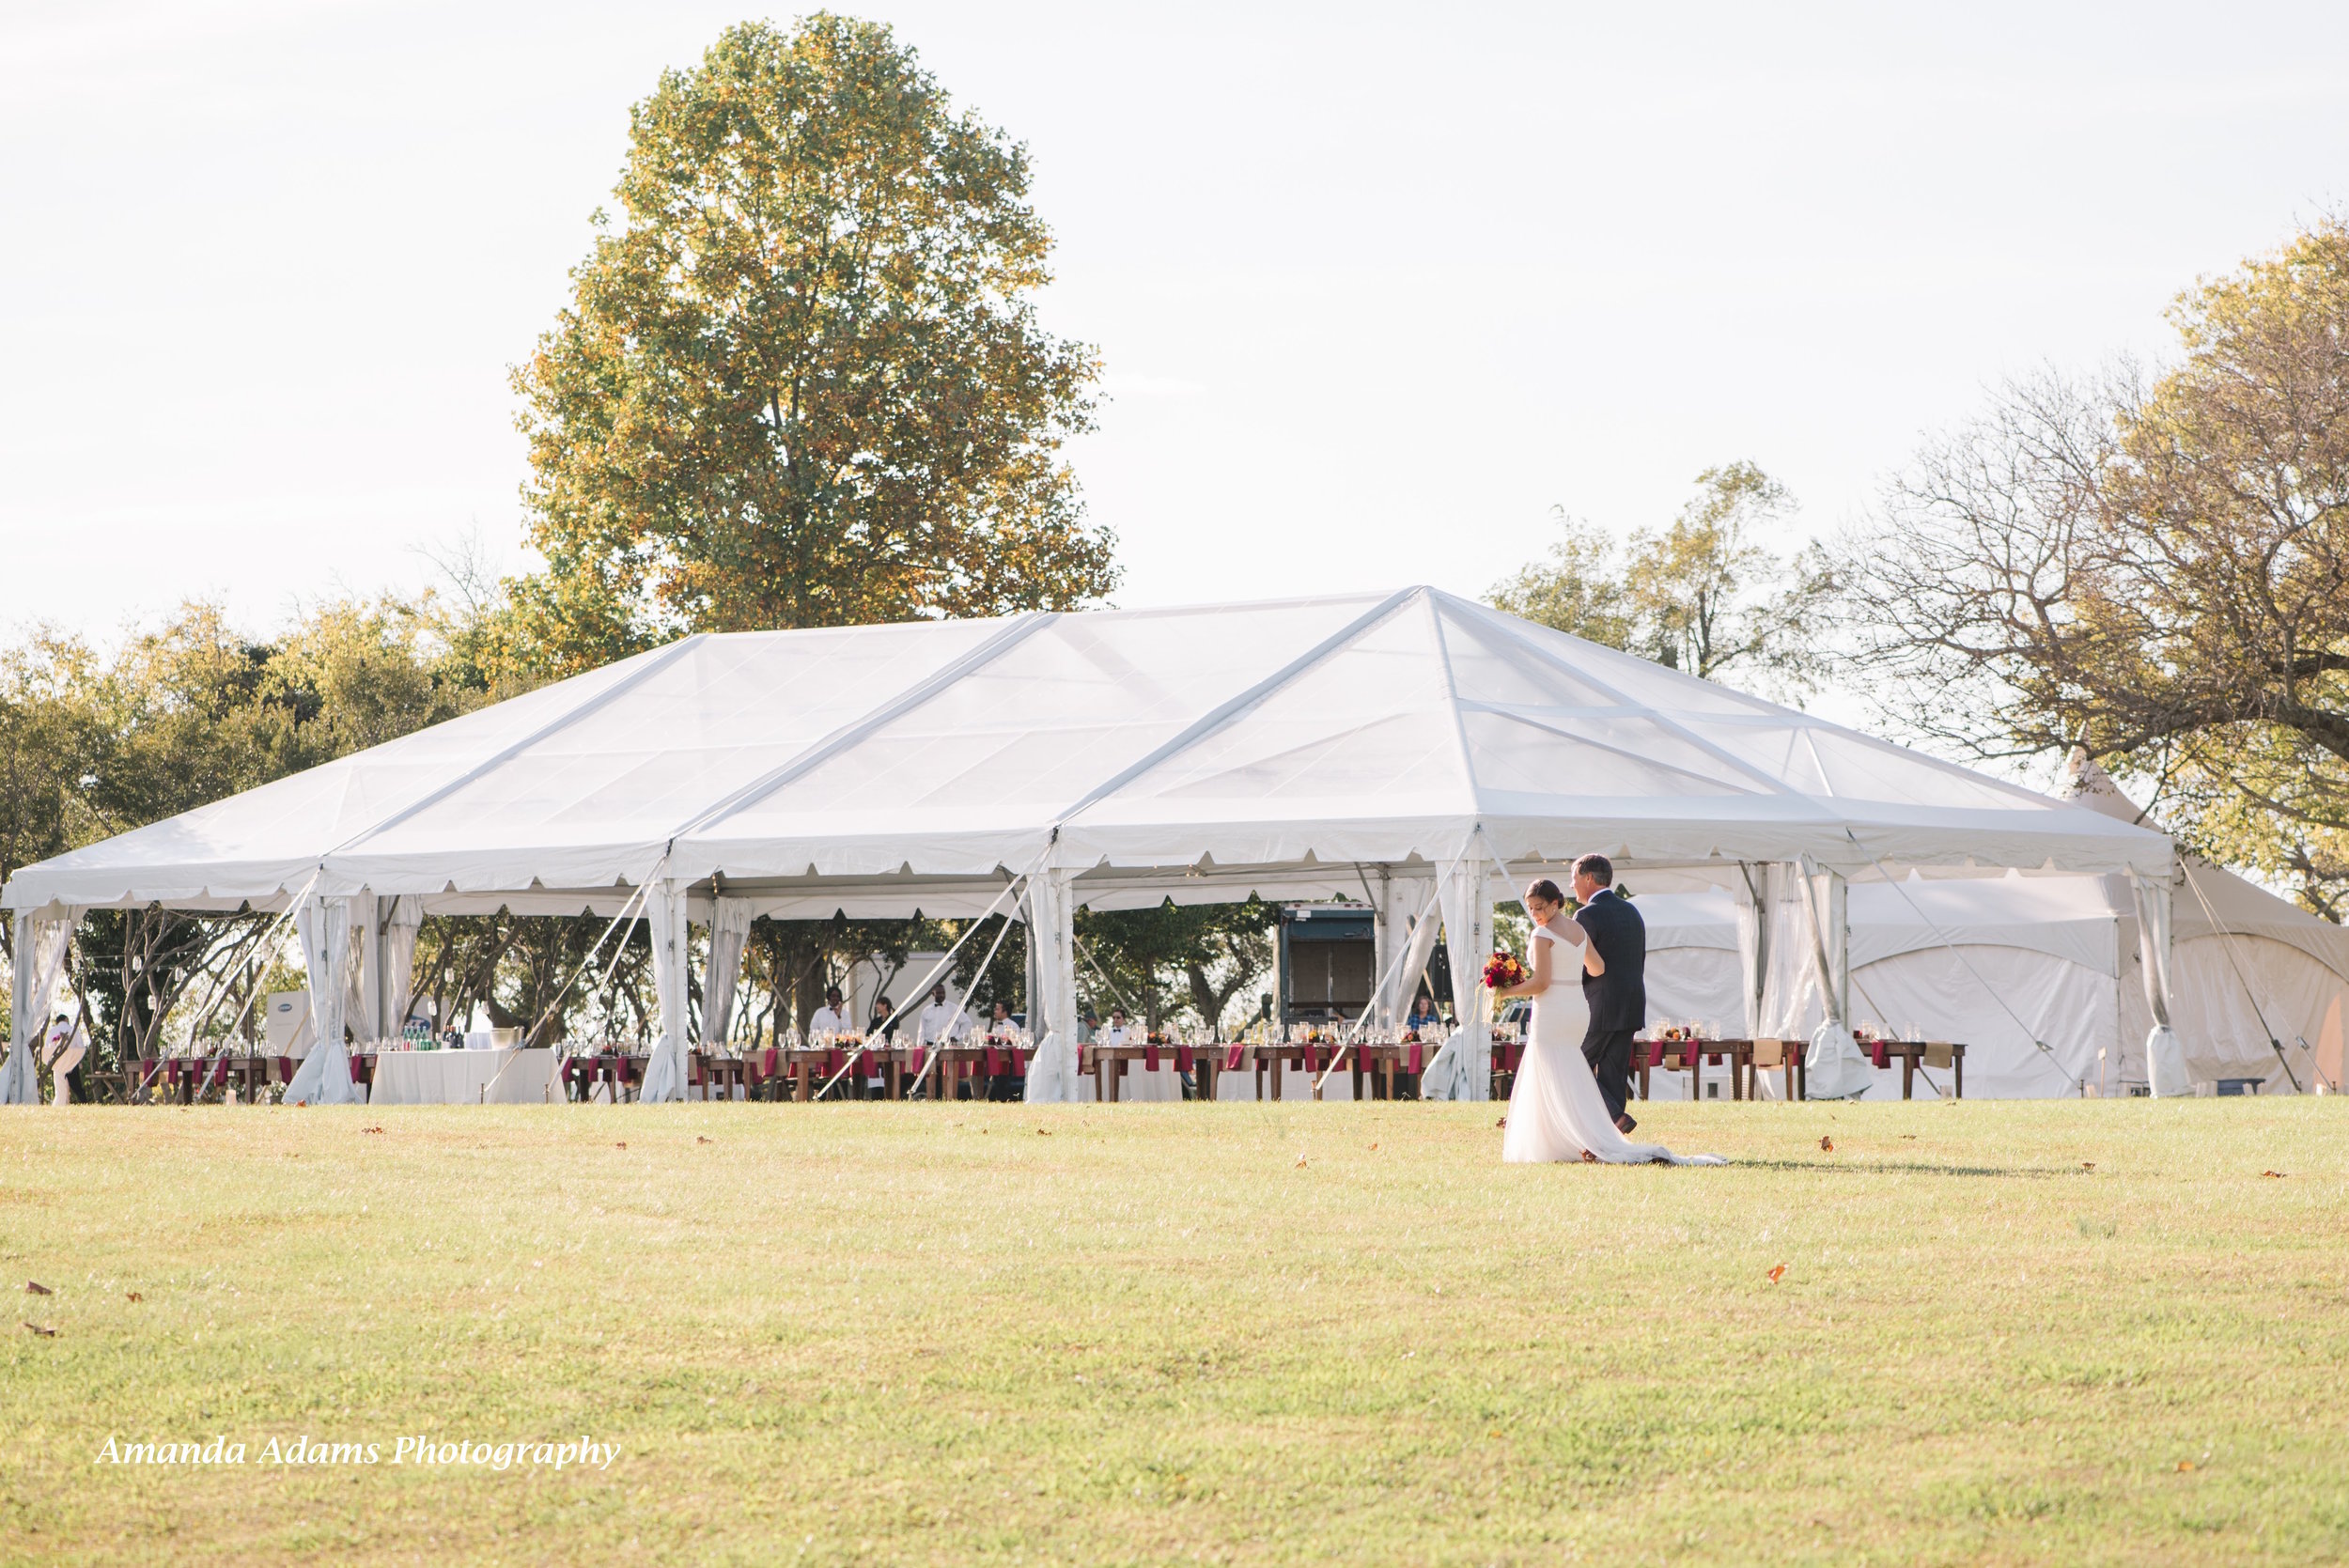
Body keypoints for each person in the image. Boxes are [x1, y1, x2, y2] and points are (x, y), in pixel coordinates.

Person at [1491, 876, 1723, 1166]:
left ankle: (1558, 1140)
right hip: (1577, 1007)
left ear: (1555, 904)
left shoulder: (1541, 935)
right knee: (1567, 1069)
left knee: (1550, 1068)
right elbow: (1597, 967)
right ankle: (1575, 1136)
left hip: (1552, 1009)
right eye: (1530, 909)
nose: (1535, 914)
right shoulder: (1577, 930)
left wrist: (1505, 993)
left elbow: (1541, 982)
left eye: (1539, 907)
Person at [1572, 853, 1646, 1134]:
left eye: (1574, 878)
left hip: (1600, 1004)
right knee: (1614, 1073)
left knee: (1574, 1065)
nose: (1572, 886)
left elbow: (1581, 964)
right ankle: (1612, 1137)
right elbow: (1639, 959)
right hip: (1632, 1002)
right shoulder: (1632, 911)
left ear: (1589, 878)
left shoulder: (1586, 915)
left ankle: (1615, 1117)